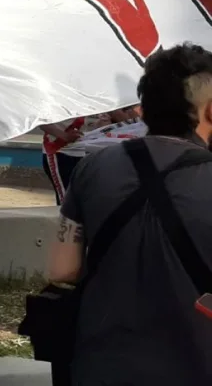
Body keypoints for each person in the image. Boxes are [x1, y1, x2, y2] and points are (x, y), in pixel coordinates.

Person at [47, 44, 212, 385]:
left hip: (101, 364)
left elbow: (62, 269)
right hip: (195, 364)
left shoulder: (93, 167)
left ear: (143, 108)